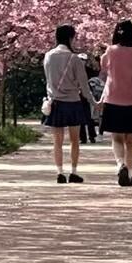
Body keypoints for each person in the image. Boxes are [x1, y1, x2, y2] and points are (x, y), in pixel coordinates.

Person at [100, 18, 132, 187]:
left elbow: (105, 67)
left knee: (117, 138)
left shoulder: (111, 51)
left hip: (114, 98)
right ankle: (129, 173)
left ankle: (120, 164)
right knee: (131, 140)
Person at [42, 23, 94, 184]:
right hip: (73, 102)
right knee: (74, 140)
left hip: (56, 102)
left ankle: (60, 172)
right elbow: (84, 85)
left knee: (57, 141)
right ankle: (73, 171)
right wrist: (94, 102)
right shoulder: (74, 59)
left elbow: (48, 81)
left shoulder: (48, 56)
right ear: (71, 38)